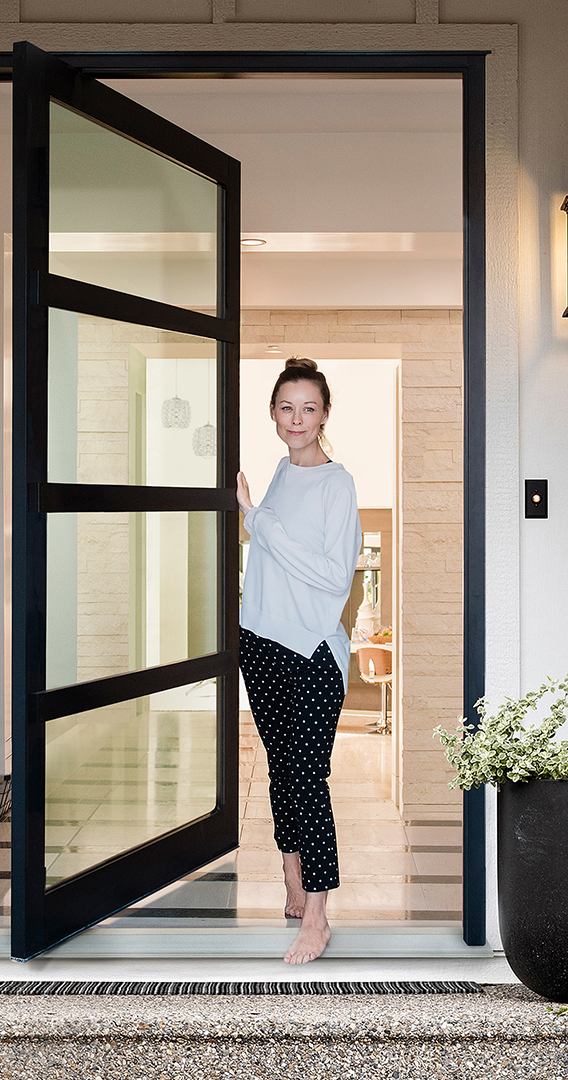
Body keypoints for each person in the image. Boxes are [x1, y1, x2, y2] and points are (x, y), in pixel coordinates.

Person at [236, 357, 360, 965]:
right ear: (273, 414)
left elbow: (335, 575)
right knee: (282, 772)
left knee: (307, 781)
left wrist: (258, 521)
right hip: (260, 644)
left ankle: (317, 915)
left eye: (308, 408)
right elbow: (272, 568)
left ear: (324, 415)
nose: (297, 419)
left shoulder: (338, 484)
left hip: (311, 653)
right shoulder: (281, 473)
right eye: (286, 407)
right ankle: (291, 879)